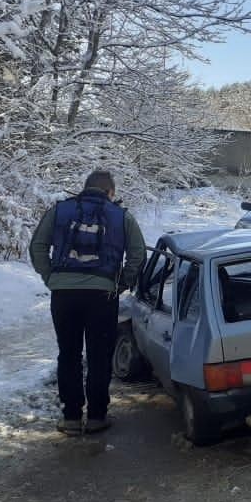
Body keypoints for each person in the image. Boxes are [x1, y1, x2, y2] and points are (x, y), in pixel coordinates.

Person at [29, 170, 146, 435]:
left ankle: (71, 417)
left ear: (85, 187)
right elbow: (137, 254)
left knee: (68, 354)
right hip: (102, 295)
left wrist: (51, 277)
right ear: (110, 192)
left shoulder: (59, 210)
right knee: (99, 356)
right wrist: (121, 283)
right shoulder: (122, 216)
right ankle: (96, 417)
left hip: (64, 295)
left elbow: (37, 246)